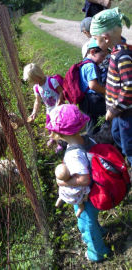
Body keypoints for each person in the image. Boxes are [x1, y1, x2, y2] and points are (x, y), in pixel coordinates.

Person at [46, 104, 110, 262]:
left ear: (60, 134)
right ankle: (98, 232)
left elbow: (84, 179)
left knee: (87, 222)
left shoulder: (74, 154)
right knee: (89, 220)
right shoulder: (88, 138)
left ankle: (97, 253)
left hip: (87, 195)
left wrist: (63, 183)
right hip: (96, 188)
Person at [90, 7, 132, 170]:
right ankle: (126, 160)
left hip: (125, 112)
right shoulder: (116, 52)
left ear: (105, 38)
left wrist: (114, 109)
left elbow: (129, 86)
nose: (94, 42)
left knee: (129, 144)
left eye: (95, 38)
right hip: (119, 112)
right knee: (116, 135)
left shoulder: (123, 56)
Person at [23, 63, 65, 152]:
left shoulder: (51, 82)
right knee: (49, 126)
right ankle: (53, 138)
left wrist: (59, 102)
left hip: (59, 108)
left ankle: (61, 143)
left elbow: (61, 92)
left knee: (59, 127)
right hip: (49, 110)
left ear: (37, 76)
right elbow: (37, 101)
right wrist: (34, 112)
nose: (32, 82)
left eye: (32, 80)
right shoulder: (37, 87)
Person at [79, 38, 107, 135]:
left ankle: (92, 139)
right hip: (92, 100)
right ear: (92, 52)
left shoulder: (84, 63)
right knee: (104, 117)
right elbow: (93, 85)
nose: (103, 59)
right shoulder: (90, 66)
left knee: (92, 121)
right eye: (102, 56)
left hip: (85, 101)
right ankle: (94, 142)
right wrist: (106, 91)